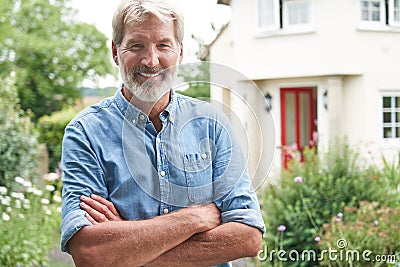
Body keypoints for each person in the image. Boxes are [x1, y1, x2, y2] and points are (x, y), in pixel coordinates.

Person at [60, 0, 265, 266]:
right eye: (137, 45)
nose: (151, 60)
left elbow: (248, 236)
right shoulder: (85, 133)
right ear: (115, 51)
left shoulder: (212, 124)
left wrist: (128, 252)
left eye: (163, 45)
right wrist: (194, 219)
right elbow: (90, 252)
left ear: (180, 52)